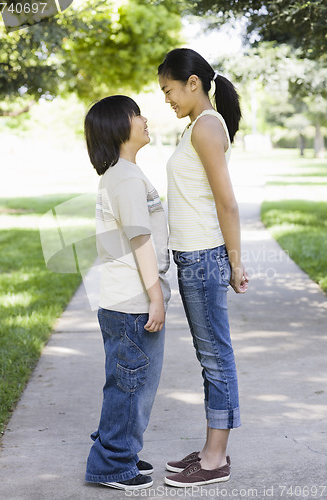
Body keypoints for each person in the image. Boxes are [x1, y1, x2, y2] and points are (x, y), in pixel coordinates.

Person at [158, 48, 248, 487]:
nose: (167, 99)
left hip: (204, 258)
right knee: (208, 353)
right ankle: (212, 446)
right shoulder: (197, 126)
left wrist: (234, 261)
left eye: (169, 90)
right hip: (194, 256)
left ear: (193, 83)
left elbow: (226, 202)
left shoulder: (207, 128)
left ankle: (215, 459)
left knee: (215, 355)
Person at [84, 95, 171, 491]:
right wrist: (155, 296)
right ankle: (112, 463)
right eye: (137, 114)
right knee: (131, 385)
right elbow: (141, 241)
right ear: (120, 127)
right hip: (133, 304)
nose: (145, 118)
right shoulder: (125, 177)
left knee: (129, 383)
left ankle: (120, 449)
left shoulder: (124, 173)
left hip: (125, 302)